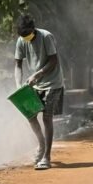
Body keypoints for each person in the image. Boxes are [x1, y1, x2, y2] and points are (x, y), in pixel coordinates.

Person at [14, 14, 65, 170]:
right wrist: (18, 85)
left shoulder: (46, 36)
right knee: (30, 115)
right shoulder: (21, 40)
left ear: (33, 29)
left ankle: (47, 157)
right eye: (23, 36)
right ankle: (41, 144)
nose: (26, 38)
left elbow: (53, 60)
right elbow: (18, 65)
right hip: (35, 85)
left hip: (52, 82)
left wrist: (37, 74)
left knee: (47, 118)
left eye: (28, 34)